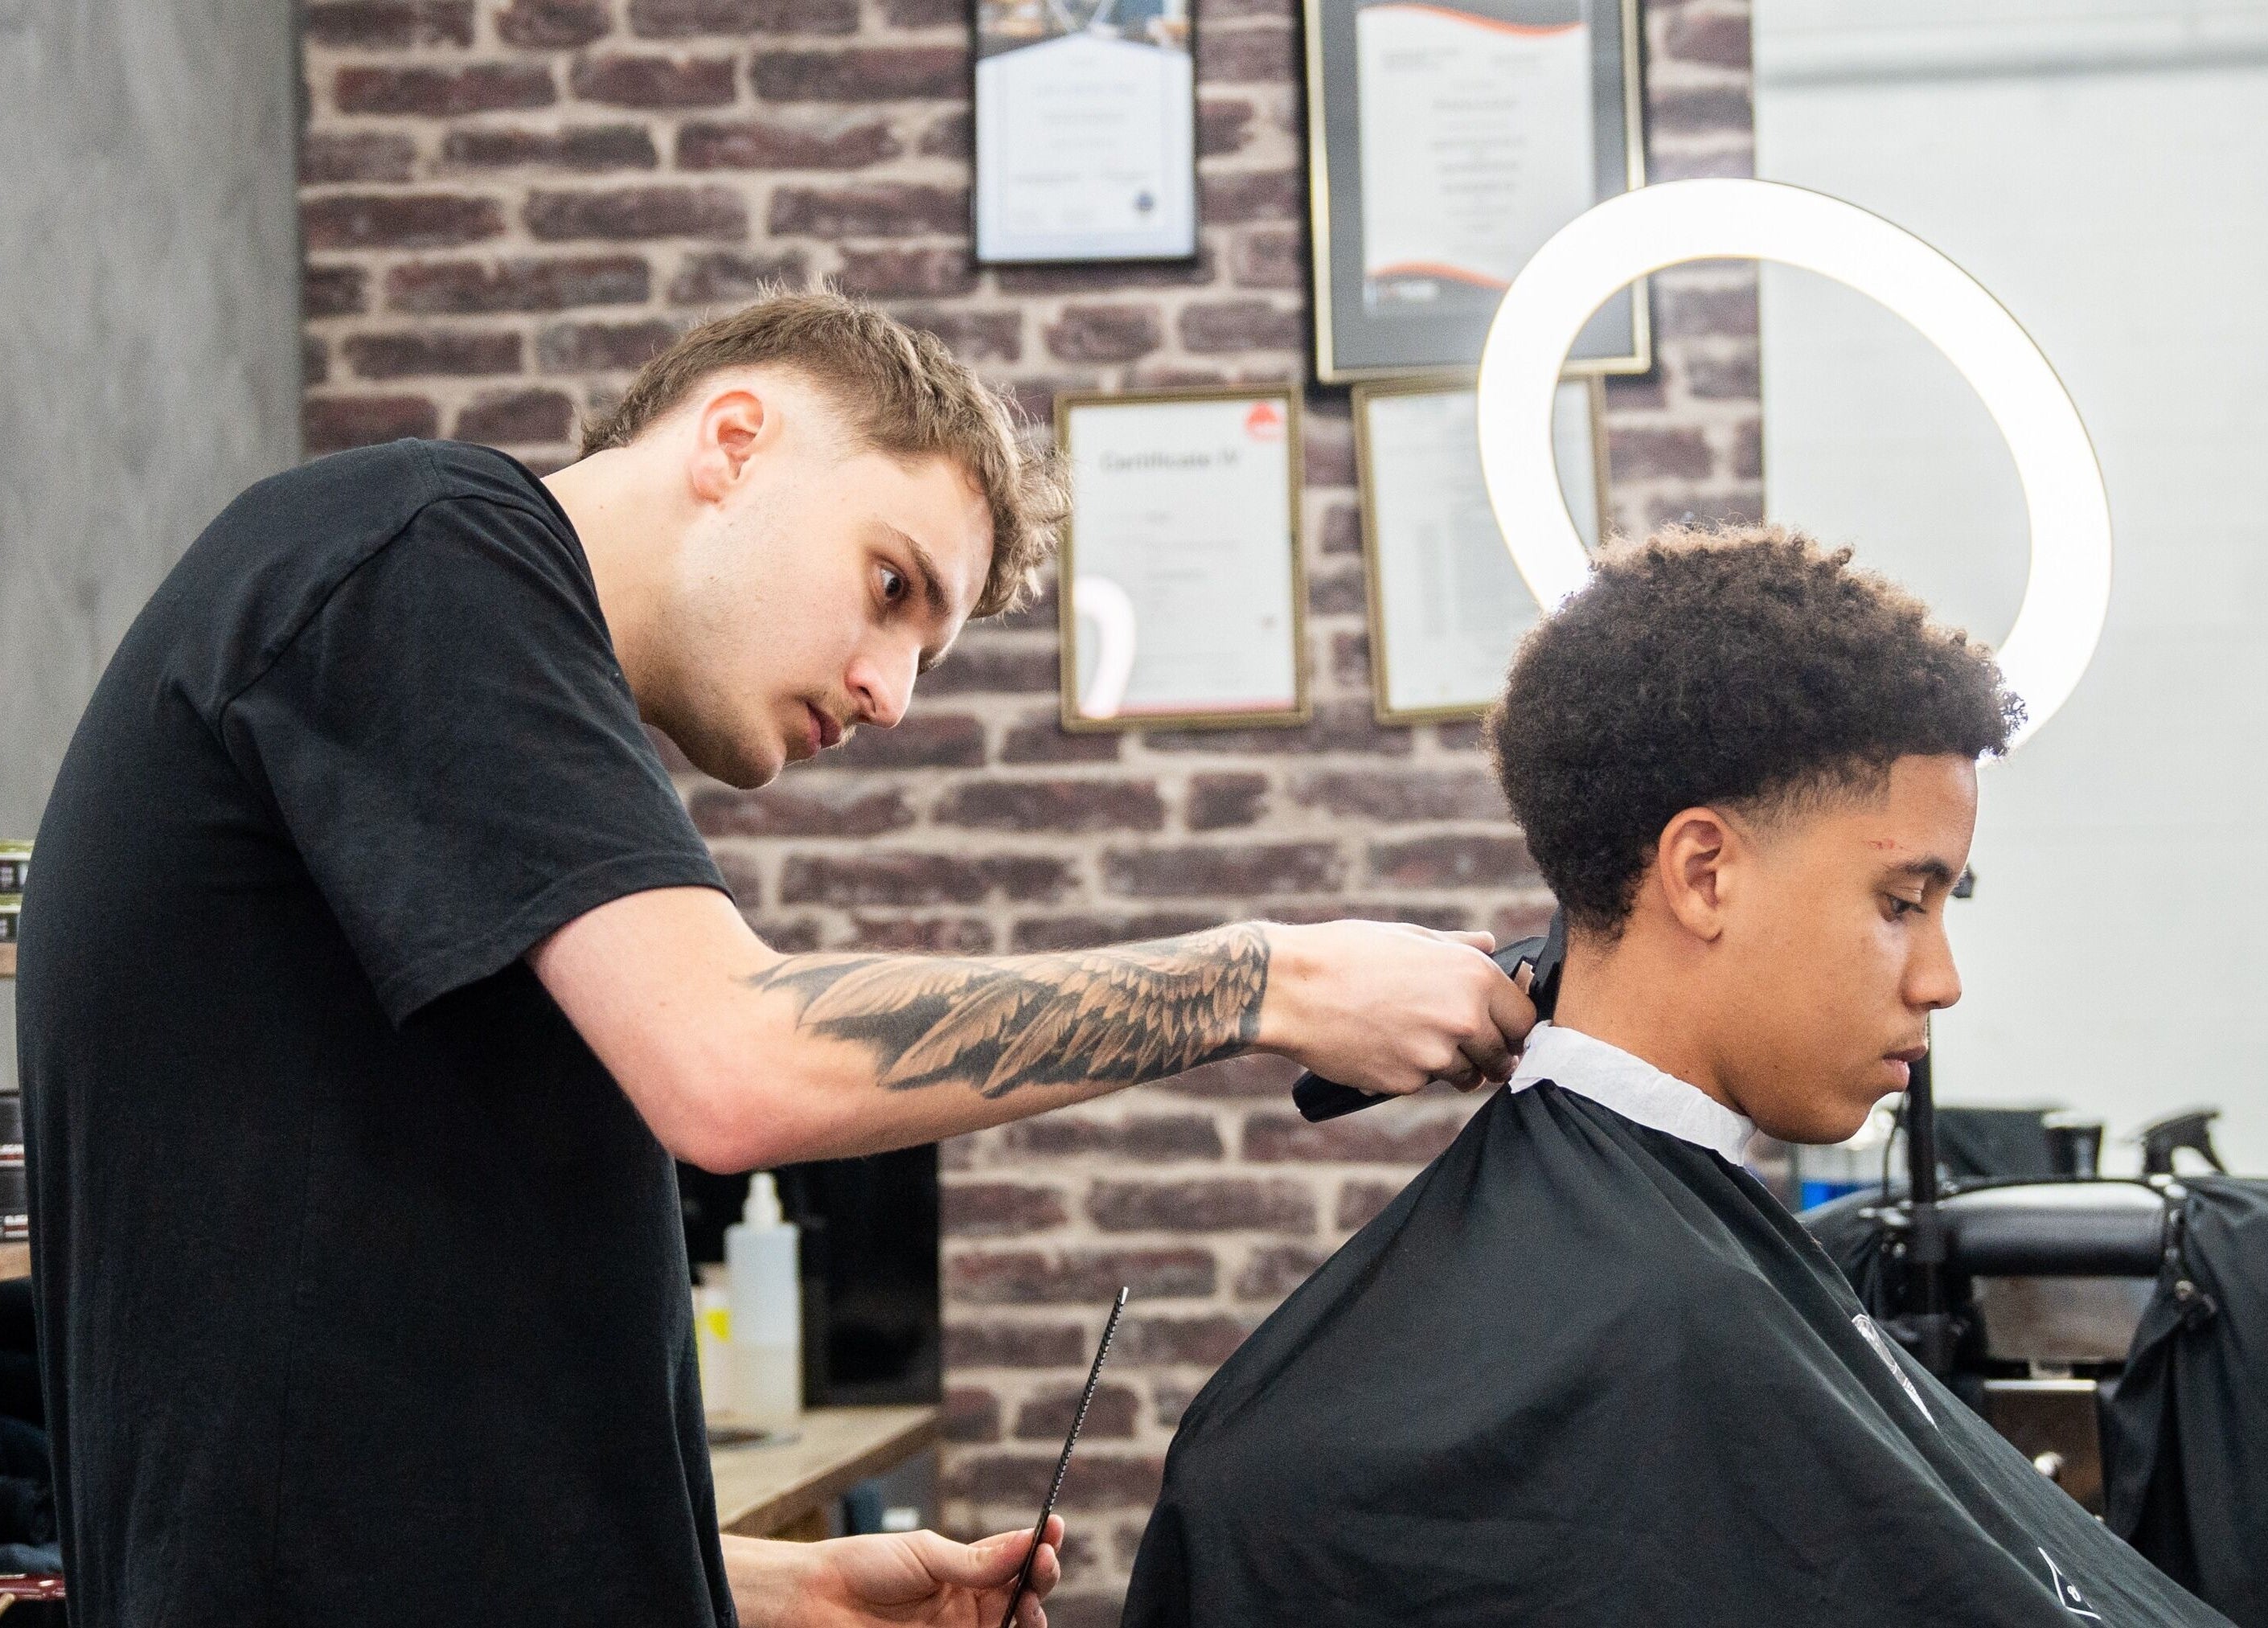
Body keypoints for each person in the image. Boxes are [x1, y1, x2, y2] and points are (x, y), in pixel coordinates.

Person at [17, 289, 1535, 1627]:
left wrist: (739, 1577)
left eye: (927, 657)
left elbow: (332, 1414)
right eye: (891, 587)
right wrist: (1272, 978)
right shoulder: (426, 550)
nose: (887, 692)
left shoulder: (463, 705)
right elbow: (738, 1066)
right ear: (732, 438)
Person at [1122, 527, 2232, 1627]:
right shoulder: (1650, 1314)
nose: (1939, 978)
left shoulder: (1671, 1275)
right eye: (1901, 901)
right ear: (1704, 874)